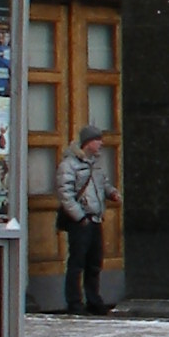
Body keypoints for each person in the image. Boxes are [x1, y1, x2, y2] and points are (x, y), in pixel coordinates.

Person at [54, 124, 120, 316]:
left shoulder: (96, 163)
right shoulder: (69, 165)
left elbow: (102, 184)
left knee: (94, 262)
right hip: (81, 221)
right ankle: (74, 302)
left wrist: (112, 193)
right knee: (77, 262)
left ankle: (93, 300)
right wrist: (79, 217)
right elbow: (65, 194)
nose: (101, 143)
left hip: (95, 219)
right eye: (97, 140)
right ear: (87, 142)